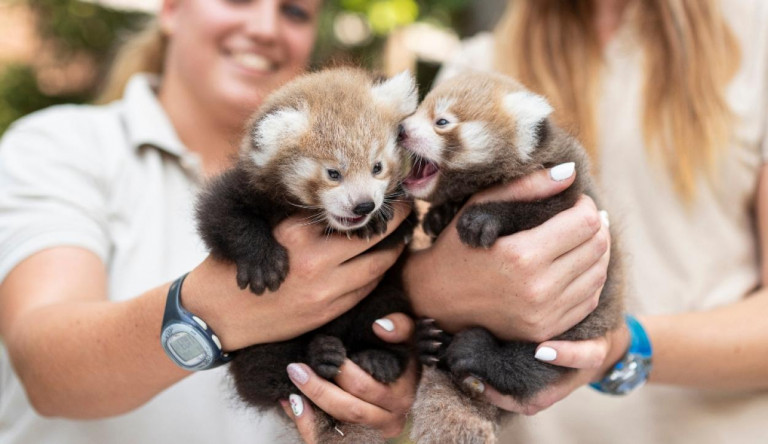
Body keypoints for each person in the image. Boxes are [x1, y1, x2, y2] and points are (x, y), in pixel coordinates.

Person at [0, 0, 610, 443]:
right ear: (170, 8)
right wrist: (220, 312)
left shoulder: (383, 176)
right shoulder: (61, 147)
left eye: (294, 10)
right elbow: (46, 372)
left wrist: (392, 380)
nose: (264, 25)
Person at [418, 0, 768, 442]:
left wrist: (622, 347)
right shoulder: (479, 69)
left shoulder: (756, 37)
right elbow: (423, 258)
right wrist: (430, 289)